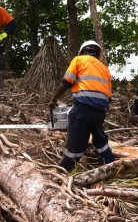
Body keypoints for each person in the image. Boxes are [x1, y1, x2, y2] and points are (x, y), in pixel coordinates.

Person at [49, 40, 115, 172]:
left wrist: (54, 100)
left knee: (76, 142)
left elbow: (67, 82)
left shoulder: (79, 60)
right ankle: (110, 163)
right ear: (97, 53)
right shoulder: (105, 69)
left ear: (84, 51)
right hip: (100, 111)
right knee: (99, 139)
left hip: (82, 109)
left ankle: (64, 169)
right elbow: (109, 96)